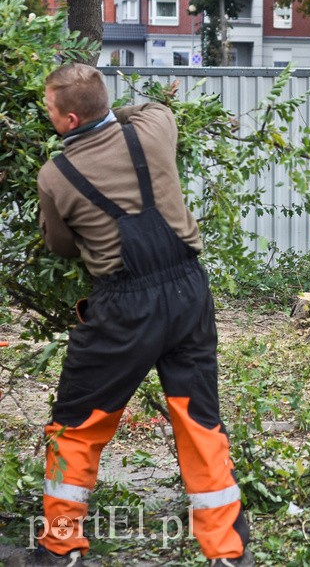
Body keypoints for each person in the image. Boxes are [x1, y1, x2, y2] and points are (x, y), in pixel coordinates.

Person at [8, 63, 253, 567]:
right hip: (189, 292)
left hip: (124, 307)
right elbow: (150, 109)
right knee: (199, 419)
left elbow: (60, 245)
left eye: (52, 110)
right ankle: (228, 553)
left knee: (77, 423)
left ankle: (60, 548)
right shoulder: (154, 129)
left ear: (69, 120)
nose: (47, 115)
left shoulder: (55, 175)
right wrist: (103, 113)